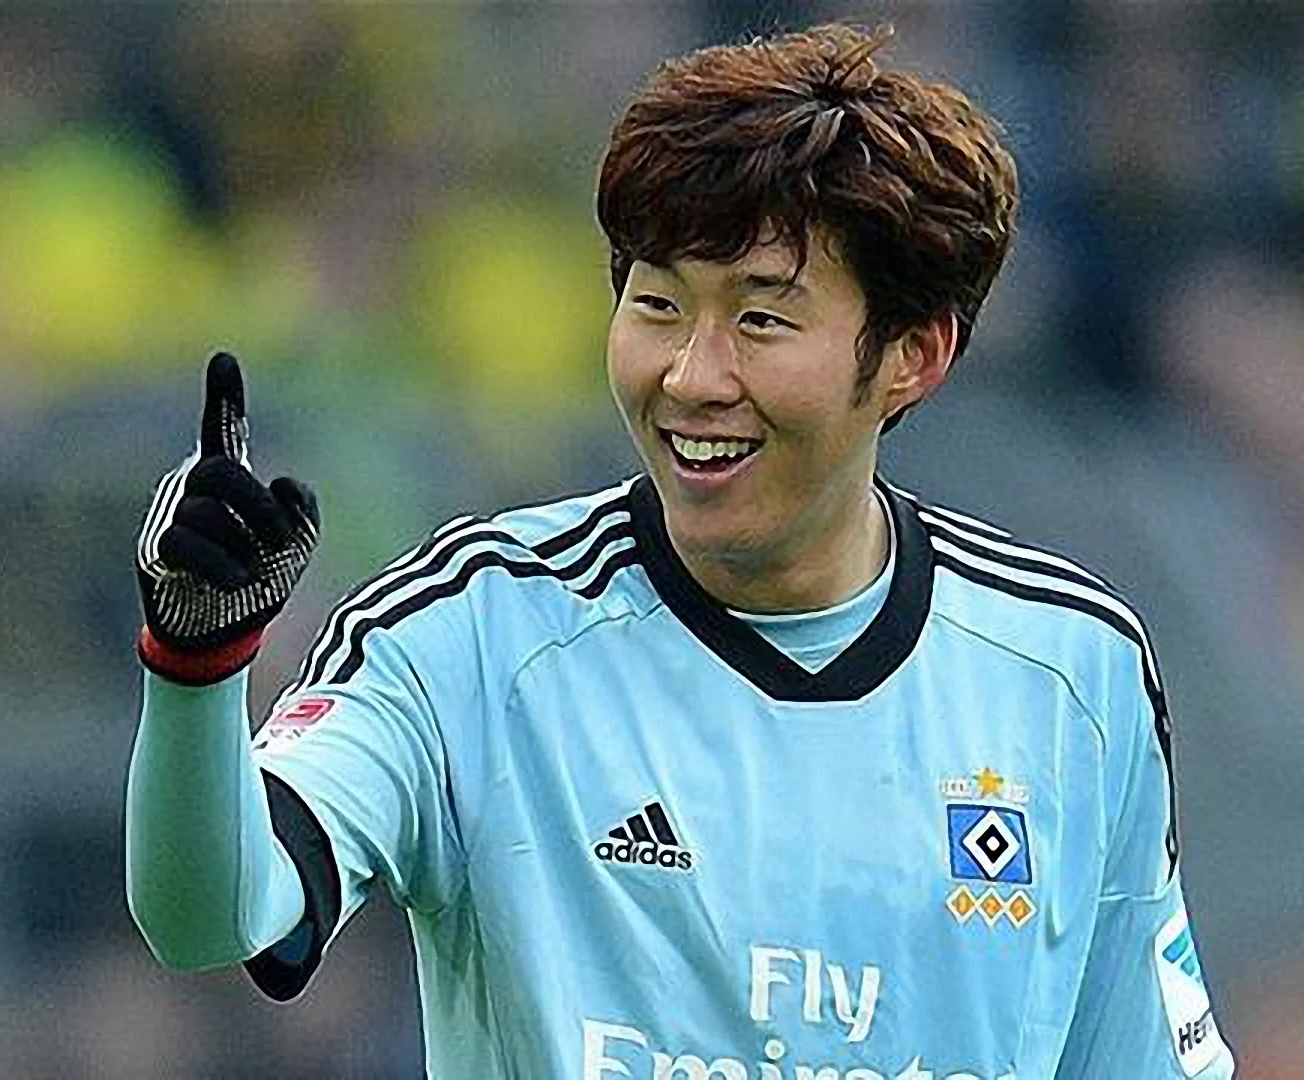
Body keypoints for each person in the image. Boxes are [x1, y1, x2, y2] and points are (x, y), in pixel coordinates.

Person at [125, 23, 1234, 1080]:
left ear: (913, 353)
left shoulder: (1070, 674)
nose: (693, 376)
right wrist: (196, 664)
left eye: (761, 319)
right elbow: (211, 917)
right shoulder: (476, 632)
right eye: (658, 304)